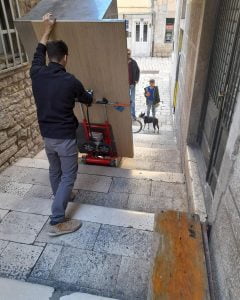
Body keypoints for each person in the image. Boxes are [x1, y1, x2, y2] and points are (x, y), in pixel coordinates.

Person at [30, 13, 93, 236]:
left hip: (47, 137)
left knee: (55, 170)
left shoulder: (36, 73)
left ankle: (60, 195)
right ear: (65, 57)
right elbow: (87, 99)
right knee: (68, 176)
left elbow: (38, 52)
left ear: (49, 57)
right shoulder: (71, 81)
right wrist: (88, 95)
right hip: (65, 138)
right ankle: (57, 220)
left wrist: (46, 29)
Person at [128, 49, 140, 119]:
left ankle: (133, 115)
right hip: (125, 85)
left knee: (132, 100)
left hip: (132, 84)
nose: (128, 55)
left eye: (129, 54)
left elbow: (138, 71)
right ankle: (127, 114)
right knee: (127, 100)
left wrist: (137, 80)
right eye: (127, 54)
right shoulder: (122, 63)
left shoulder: (133, 62)